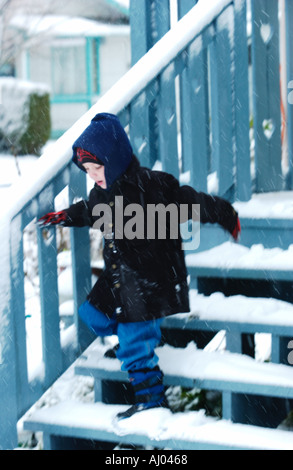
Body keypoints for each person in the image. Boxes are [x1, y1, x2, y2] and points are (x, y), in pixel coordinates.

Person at [38, 113, 241, 420]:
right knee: (94, 316)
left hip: (148, 279)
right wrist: (65, 216)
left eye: (97, 167)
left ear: (115, 157)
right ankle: (136, 346)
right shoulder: (102, 194)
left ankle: (151, 398)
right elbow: (92, 212)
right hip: (120, 276)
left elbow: (191, 200)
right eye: (88, 170)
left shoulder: (152, 187)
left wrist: (224, 213)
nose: (94, 175)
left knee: (134, 338)